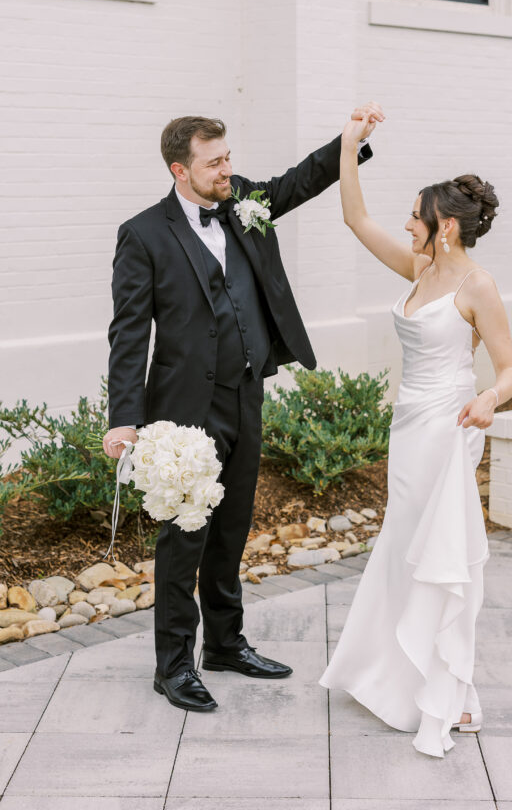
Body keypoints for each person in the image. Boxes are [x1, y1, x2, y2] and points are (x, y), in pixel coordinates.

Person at [102, 114, 373, 712]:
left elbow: (301, 181)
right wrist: (124, 417)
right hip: (180, 413)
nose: (228, 170)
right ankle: (173, 665)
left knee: (232, 526)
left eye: (228, 157)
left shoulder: (244, 200)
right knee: (184, 536)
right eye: (214, 163)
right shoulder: (143, 235)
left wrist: (349, 142)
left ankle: (225, 644)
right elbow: (128, 335)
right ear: (181, 170)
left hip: (245, 395)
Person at [319, 101, 512, 758]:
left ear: (448, 227)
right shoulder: (418, 269)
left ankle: (451, 689)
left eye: (417, 215)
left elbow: (510, 369)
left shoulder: (477, 286)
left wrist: (490, 398)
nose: (407, 223)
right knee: (404, 545)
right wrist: (349, 145)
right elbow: (355, 217)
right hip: (408, 427)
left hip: (450, 426)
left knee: (439, 554)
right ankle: (395, 674)